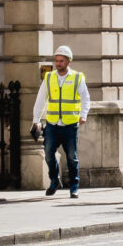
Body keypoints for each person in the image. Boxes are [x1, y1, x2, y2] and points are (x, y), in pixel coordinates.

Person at [31, 44, 89, 198]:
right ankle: (54, 180)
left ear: (68, 61)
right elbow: (40, 99)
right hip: (52, 124)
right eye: (56, 61)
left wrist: (83, 114)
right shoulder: (49, 77)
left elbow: (85, 98)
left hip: (70, 124)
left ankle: (74, 187)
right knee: (49, 154)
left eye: (61, 61)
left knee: (72, 157)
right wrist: (36, 120)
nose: (58, 64)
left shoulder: (77, 77)